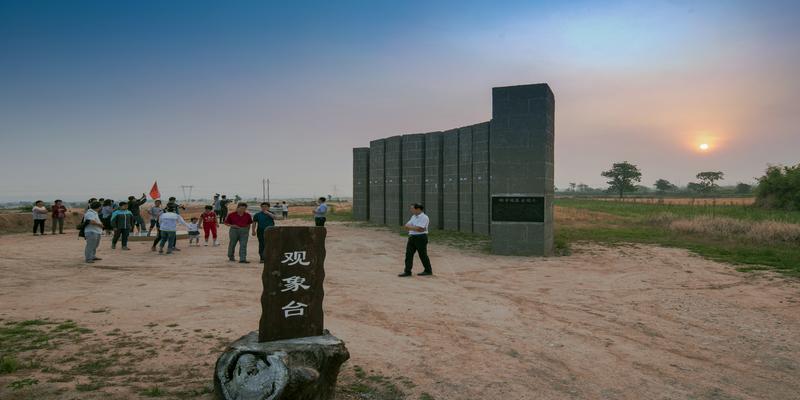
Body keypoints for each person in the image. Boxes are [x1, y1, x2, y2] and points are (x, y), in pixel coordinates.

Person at [398, 203, 433, 277]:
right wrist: (415, 228)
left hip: (421, 238)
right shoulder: (413, 216)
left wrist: (412, 227)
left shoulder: (424, 217)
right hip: (412, 237)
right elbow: (406, 226)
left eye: (412, 208)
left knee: (422, 255)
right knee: (408, 254)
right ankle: (407, 271)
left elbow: (420, 229)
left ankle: (428, 270)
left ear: (418, 209)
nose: (411, 210)